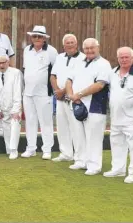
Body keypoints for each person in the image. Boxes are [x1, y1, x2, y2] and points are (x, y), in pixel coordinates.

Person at [66, 38, 111, 176]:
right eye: (87, 48)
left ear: (98, 48)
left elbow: (99, 85)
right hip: (77, 103)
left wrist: (78, 94)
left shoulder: (104, 64)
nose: (89, 51)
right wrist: (71, 95)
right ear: (83, 49)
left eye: (92, 48)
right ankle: (81, 160)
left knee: (94, 136)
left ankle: (94, 165)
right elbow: (69, 80)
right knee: (78, 134)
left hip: (95, 106)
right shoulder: (78, 62)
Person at [103, 47, 133, 183]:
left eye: (127, 57)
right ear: (117, 59)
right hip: (115, 118)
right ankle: (118, 169)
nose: (124, 59)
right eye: (121, 57)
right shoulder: (112, 73)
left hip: (132, 118)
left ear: (132, 58)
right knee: (116, 143)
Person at [21, 26, 57, 159]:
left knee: (45, 121)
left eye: (39, 36)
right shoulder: (27, 50)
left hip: (44, 93)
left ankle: (47, 149)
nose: (37, 39)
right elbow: (26, 69)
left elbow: (55, 71)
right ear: (31, 37)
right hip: (28, 92)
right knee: (30, 121)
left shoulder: (52, 51)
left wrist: (55, 88)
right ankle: (31, 148)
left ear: (44, 38)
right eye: (34, 36)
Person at [50, 34, 85, 162]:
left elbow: (77, 78)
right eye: (67, 43)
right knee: (61, 125)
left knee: (76, 127)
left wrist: (64, 91)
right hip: (59, 98)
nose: (70, 45)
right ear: (63, 45)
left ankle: (79, 156)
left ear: (76, 44)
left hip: (73, 97)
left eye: (72, 42)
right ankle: (66, 153)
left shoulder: (83, 58)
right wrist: (57, 91)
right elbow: (53, 76)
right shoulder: (59, 57)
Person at [0, 55, 23, 159]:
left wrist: (16, 109)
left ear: (8, 62)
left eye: (3, 62)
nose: (1, 65)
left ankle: (14, 150)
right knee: (6, 129)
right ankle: (9, 149)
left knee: (14, 126)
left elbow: (18, 91)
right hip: (3, 107)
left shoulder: (16, 73)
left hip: (14, 106)